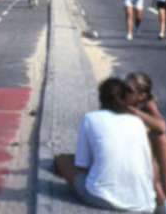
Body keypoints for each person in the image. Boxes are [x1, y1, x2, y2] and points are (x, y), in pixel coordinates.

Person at [53, 77, 156, 212]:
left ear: (101, 98)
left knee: (62, 160)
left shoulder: (90, 118)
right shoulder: (137, 122)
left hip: (103, 198)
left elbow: (82, 166)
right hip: (144, 203)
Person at [125, 72, 166, 214]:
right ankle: (162, 200)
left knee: (161, 137)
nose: (124, 92)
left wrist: (142, 109)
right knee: (148, 140)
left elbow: (161, 126)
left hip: (135, 161)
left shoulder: (137, 106)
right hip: (123, 160)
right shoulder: (117, 102)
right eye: (123, 86)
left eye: (129, 90)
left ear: (141, 96)